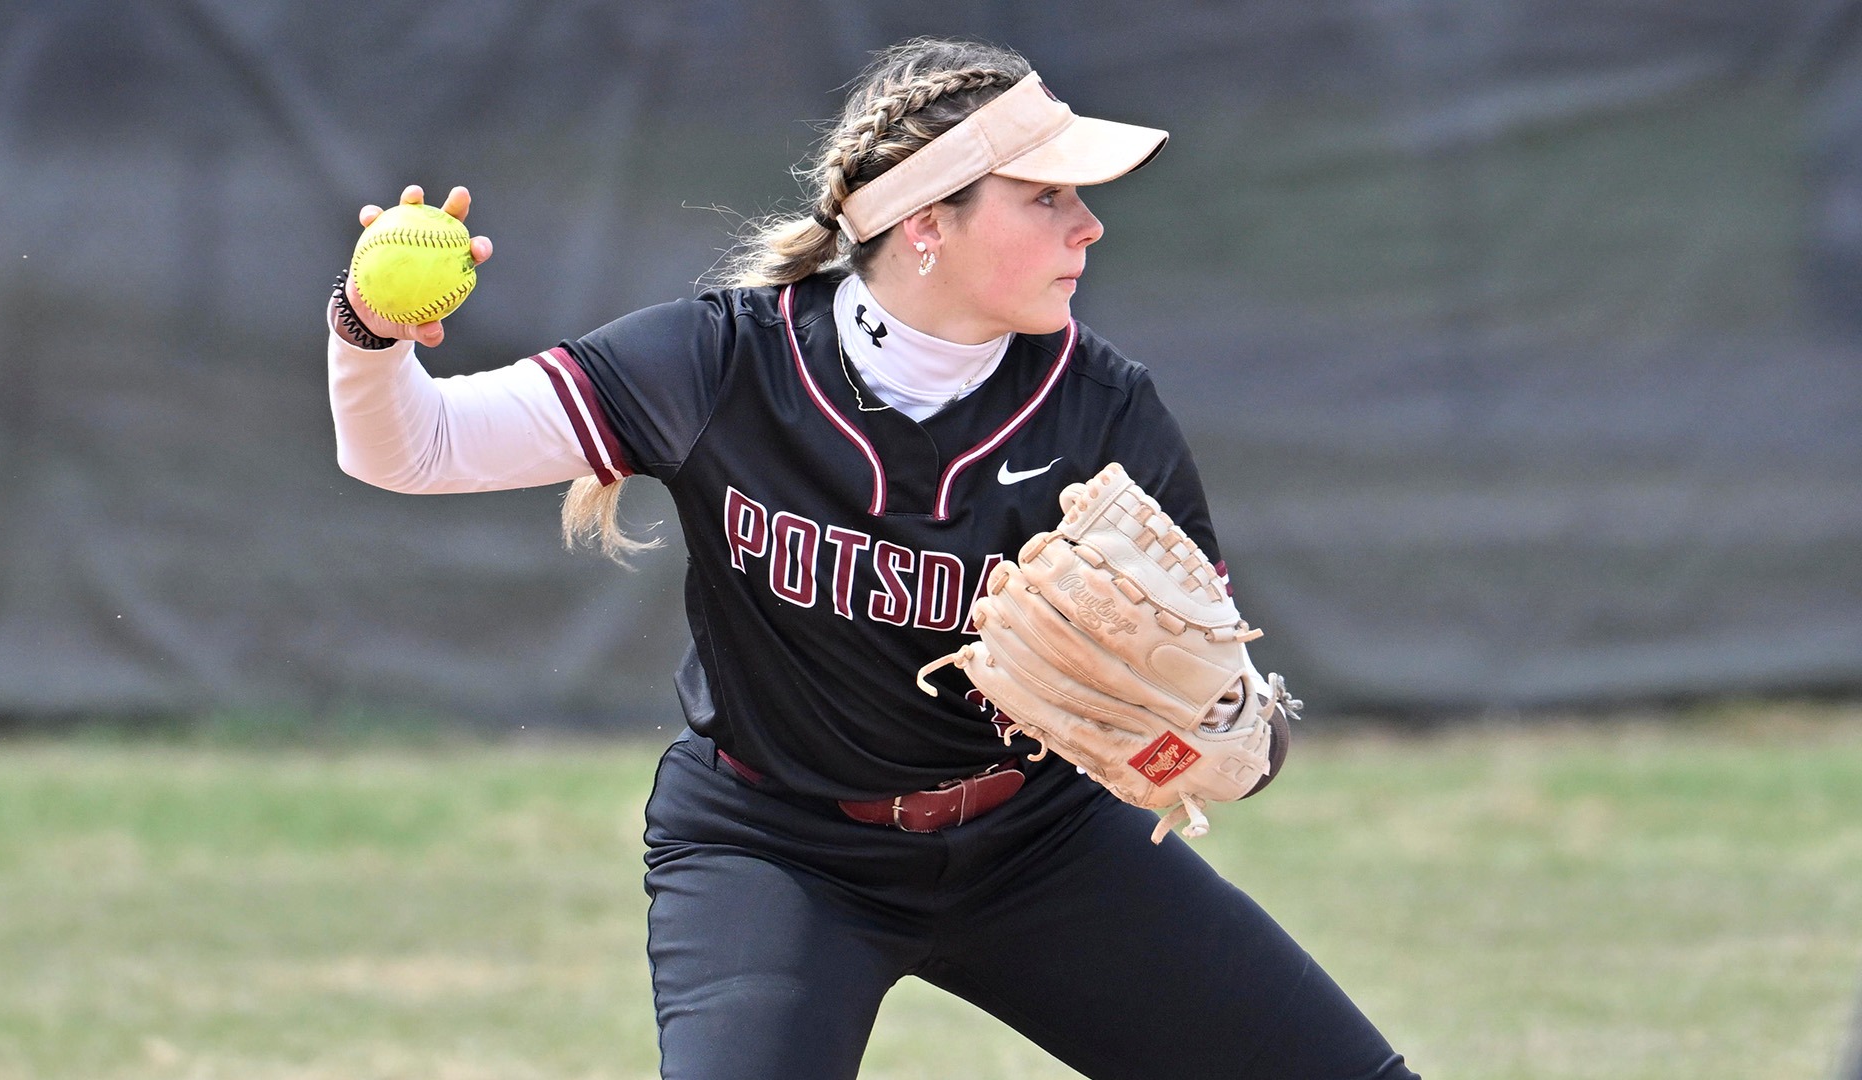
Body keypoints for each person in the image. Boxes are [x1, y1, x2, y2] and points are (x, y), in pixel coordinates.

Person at [327, 36, 1420, 1080]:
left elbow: (1227, 717)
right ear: (927, 226)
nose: (1088, 227)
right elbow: (411, 449)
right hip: (778, 851)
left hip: (1038, 844)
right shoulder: (717, 364)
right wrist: (368, 328)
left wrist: (1224, 742)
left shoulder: (1100, 409)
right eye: (1046, 196)